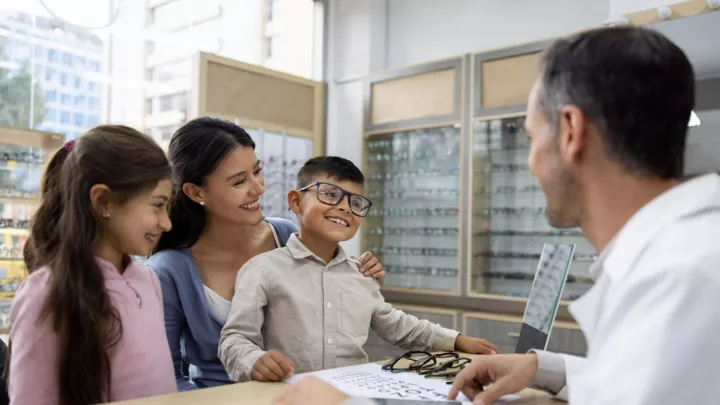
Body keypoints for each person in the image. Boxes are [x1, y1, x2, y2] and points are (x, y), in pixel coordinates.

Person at [272, 25, 720, 405]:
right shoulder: (684, 256)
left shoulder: (681, 279)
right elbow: (633, 381)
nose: (529, 162)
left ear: (570, 132)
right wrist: (541, 366)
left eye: (529, 137)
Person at [146, 117, 386, 391]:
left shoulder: (283, 235)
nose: (258, 188)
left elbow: (327, 302)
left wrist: (357, 274)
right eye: (239, 182)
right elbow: (167, 378)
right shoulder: (167, 271)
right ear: (196, 192)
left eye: (257, 172)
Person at [218, 156, 499, 382]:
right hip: (288, 397)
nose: (344, 208)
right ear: (295, 201)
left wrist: (456, 340)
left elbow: (398, 326)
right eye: (329, 194)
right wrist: (254, 361)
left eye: (355, 202)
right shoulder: (263, 269)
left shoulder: (361, 274)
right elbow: (234, 338)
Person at [8, 126, 177, 404]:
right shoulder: (45, 293)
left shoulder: (148, 281)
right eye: (157, 205)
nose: (166, 222)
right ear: (103, 201)